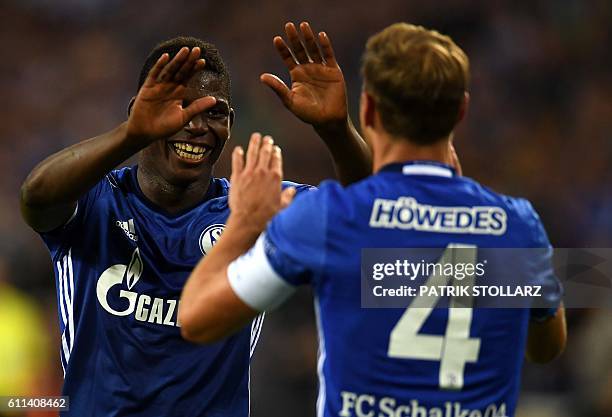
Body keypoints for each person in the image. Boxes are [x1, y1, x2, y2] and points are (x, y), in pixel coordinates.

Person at [179, 23, 567, 417]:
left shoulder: (328, 218)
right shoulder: (518, 226)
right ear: (461, 110)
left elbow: (196, 320)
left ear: (367, 109)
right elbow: (546, 348)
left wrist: (244, 223)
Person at [20, 22, 370, 417]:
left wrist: (337, 131)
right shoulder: (96, 202)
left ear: (230, 125)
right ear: (139, 110)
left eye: (214, 113)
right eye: (181, 107)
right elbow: (36, 197)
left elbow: (370, 216)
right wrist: (130, 135)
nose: (198, 125)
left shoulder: (253, 207)